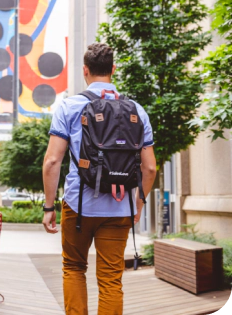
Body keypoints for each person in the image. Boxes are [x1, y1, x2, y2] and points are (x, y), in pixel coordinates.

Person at [42, 43, 157, 314]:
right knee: (110, 280)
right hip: (119, 209)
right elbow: (149, 168)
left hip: (78, 204)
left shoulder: (69, 107)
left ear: (85, 71)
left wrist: (49, 207)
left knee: (73, 268)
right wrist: (138, 202)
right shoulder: (137, 111)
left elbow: (52, 161)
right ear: (113, 69)